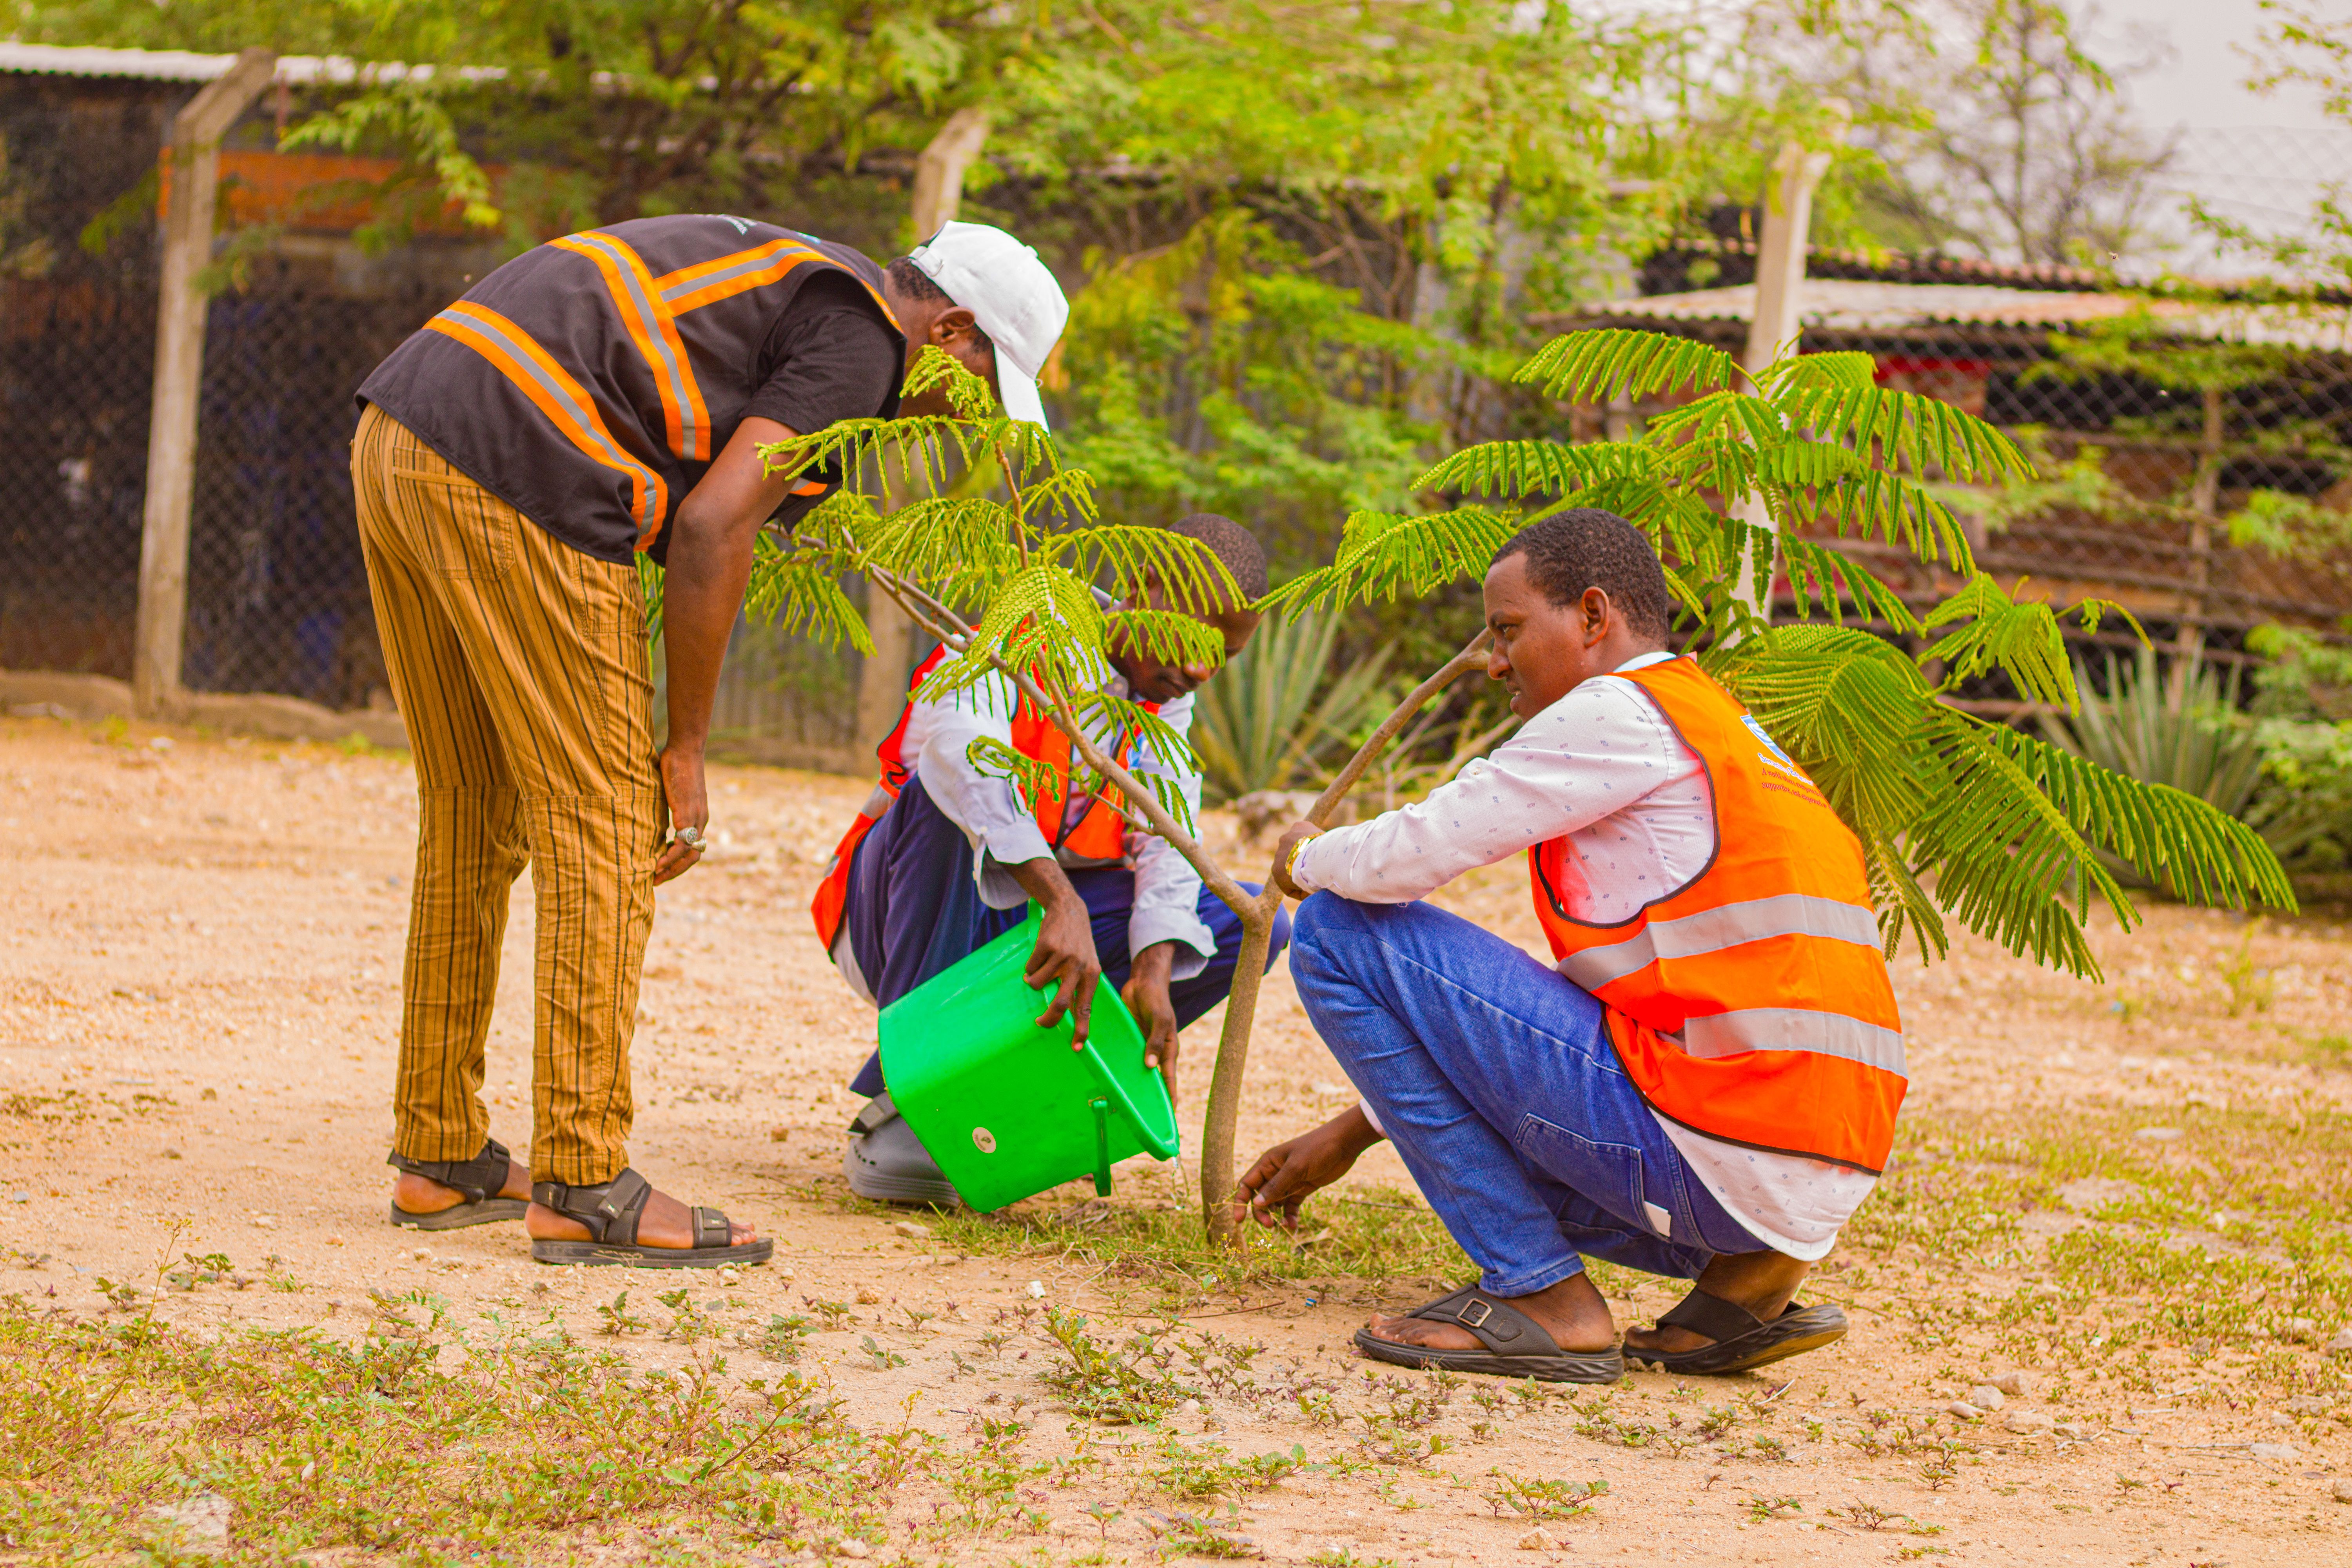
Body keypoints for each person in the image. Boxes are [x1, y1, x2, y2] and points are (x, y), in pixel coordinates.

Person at [351, 216, 1068, 1267]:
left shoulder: (800, 287)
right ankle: (586, 1183)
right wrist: (685, 743)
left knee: (475, 812)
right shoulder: (864, 340)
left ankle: (440, 1153)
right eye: (978, 385)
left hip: (404, 435)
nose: (960, 420)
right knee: (604, 824)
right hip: (521, 461)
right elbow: (713, 524)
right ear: (948, 329)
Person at [1235, 509, 1904, 1380]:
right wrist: (1359, 1126)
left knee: (1336, 929)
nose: (1492, 659)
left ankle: (1543, 1293)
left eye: (1509, 629)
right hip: (1798, 1178)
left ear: (1593, 618)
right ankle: (1741, 1292)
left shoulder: (1620, 711)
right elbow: (1578, 1021)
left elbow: (1413, 853)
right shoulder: (1725, 727)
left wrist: (1302, 857)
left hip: (1717, 1151)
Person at [813, 514, 1292, 1205]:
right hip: (901, 916)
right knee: (949, 790)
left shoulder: (1164, 701)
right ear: (1139, 588)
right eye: (1193, 640)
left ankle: (1006, 1089)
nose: (1199, 672)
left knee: (1250, 926)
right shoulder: (1020, 636)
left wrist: (1155, 966)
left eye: (1224, 656)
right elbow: (953, 753)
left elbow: (1169, 835)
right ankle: (914, 1099)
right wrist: (1061, 900)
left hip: (1023, 931)